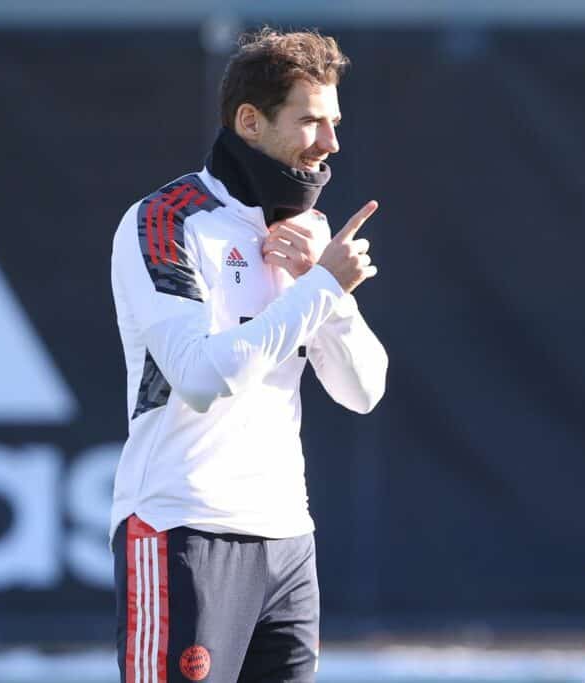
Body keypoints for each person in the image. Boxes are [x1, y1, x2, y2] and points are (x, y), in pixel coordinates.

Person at [108, 28, 388, 683]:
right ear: (250, 122)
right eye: (311, 120)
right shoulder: (165, 220)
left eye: (336, 121)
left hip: (288, 538)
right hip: (182, 528)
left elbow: (363, 390)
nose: (331, 143)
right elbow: (201, 378)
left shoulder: (309, 232)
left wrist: (333, 298)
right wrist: (321, 287)